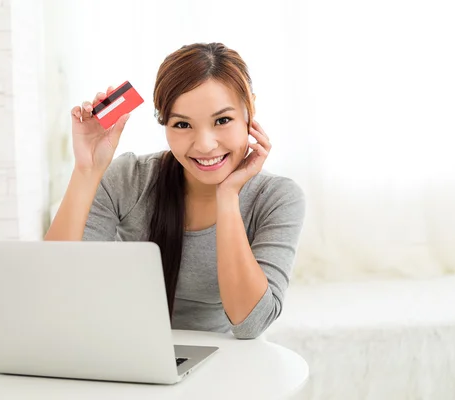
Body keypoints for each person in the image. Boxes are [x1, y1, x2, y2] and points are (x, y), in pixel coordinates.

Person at [45, 42, 305, 339]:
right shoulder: (131, 179)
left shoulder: (278, 198)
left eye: (222, 120)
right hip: (124, 350)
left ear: (250, 110)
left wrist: (228, 196)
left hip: (222, 361)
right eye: (182, 124)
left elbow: (250, 325)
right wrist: (86, 170)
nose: (205, 144)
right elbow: (56, 286)